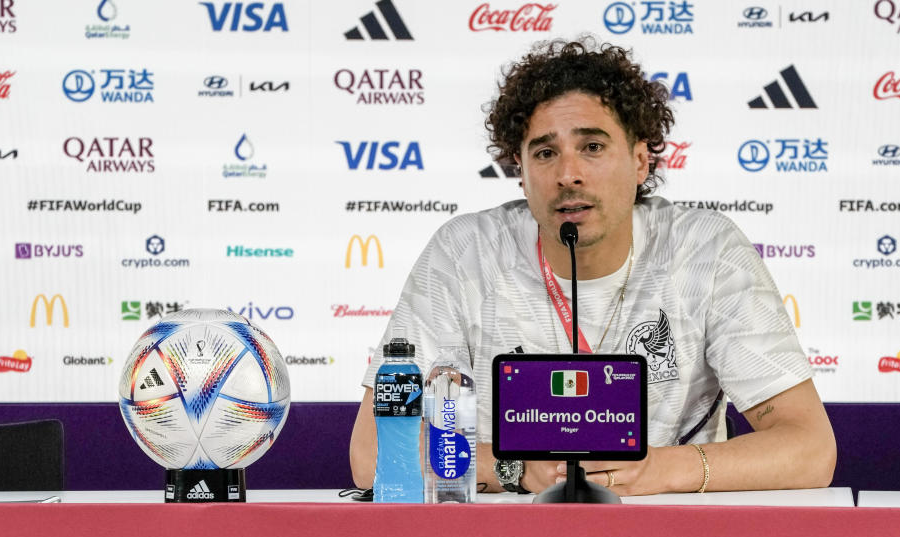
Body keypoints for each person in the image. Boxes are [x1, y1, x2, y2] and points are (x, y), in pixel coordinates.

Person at [349, 38, 836, 496]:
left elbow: (811, 449)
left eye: (593, 146)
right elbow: (371, 453)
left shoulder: (704, 252)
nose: (567, 174)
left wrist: (660, 468)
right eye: (544, 153)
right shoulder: (465, 254)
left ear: (641, 161)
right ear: (520, 172)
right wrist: (509, 466)